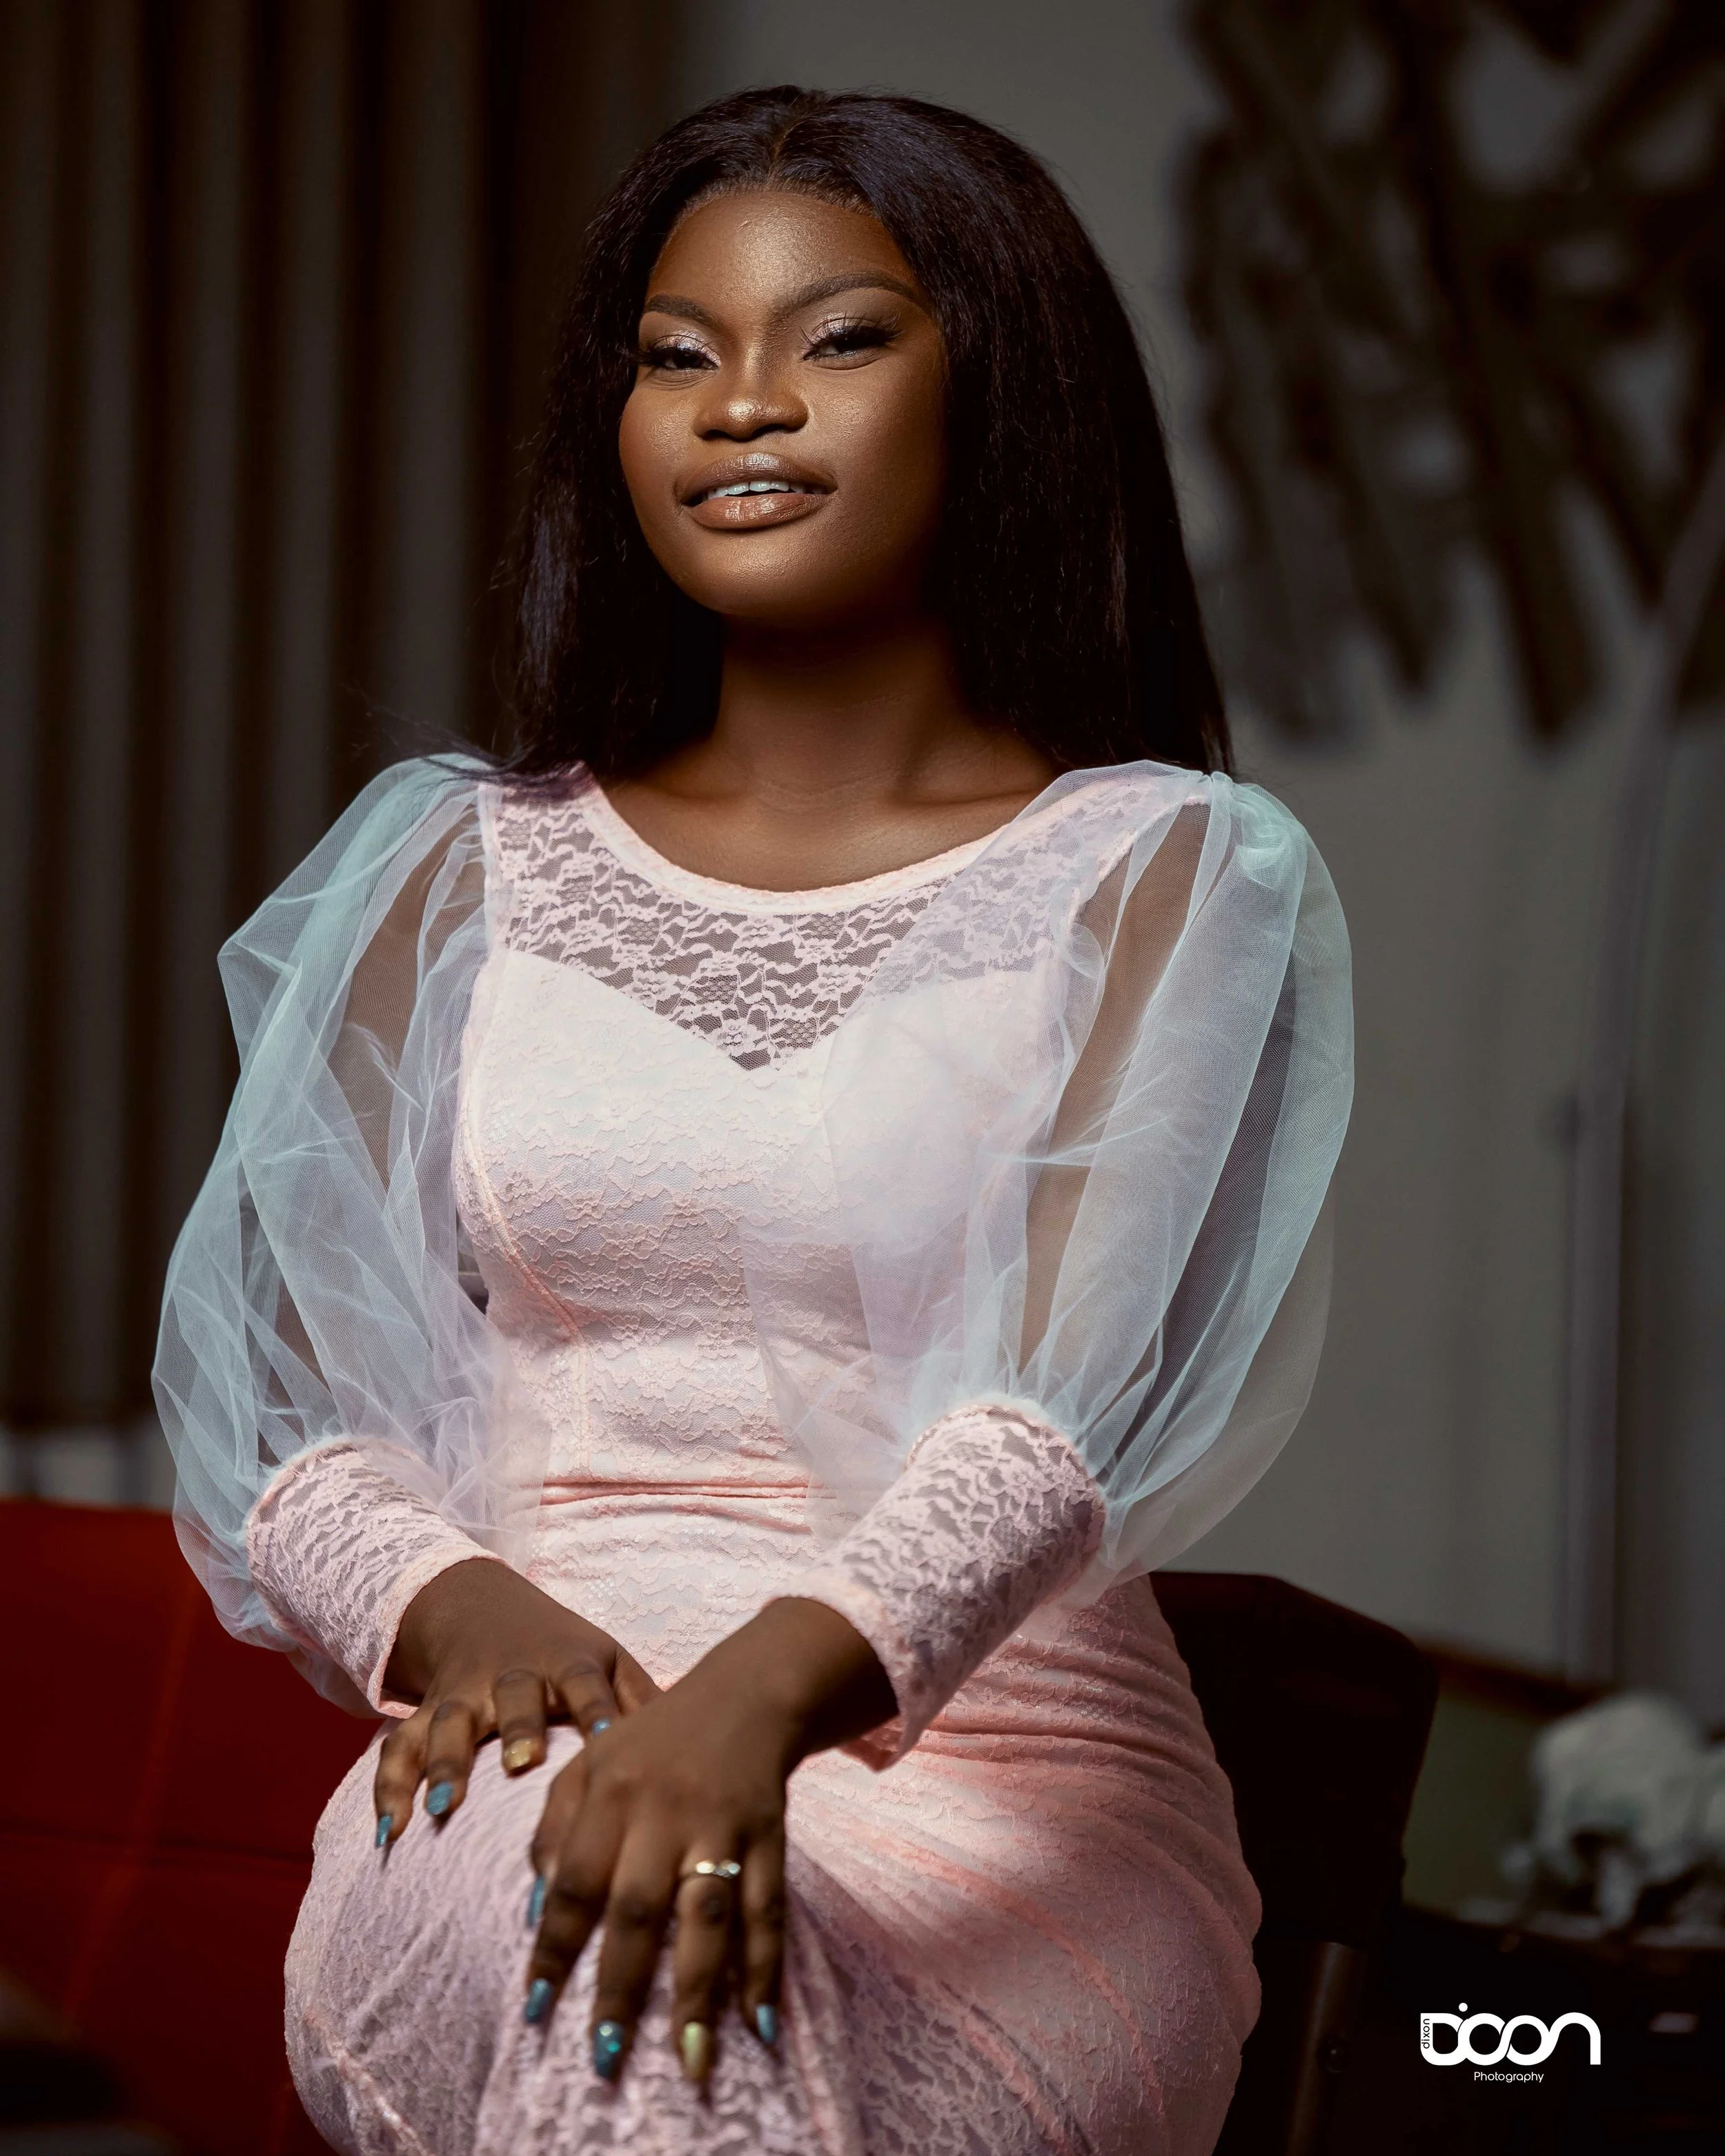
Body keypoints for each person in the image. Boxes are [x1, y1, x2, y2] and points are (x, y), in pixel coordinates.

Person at [155, 87, 1352, 2156]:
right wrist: (455, 1603)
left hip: (1006, 1786)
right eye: (675, 354)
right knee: (603, 1920)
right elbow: (277, 1395)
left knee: (689, 1963)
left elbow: (1057, 1417)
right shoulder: (448, 865)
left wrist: (761, 1703)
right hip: (515, 1727)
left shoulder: (1173, 875)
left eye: (841, 339)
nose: (739, 407)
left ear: (1007, 389)